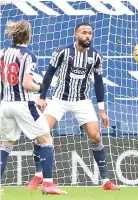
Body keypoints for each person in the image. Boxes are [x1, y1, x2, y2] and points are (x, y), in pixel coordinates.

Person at [26, 22, 119, 191]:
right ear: (76, 35)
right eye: (84, 32)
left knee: (95, 136)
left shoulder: (96, 56)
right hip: (59, 99)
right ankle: (39, 175)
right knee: (41, 132)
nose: (88, 36)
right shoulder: (63, 52)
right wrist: (42, 97)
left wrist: (102, 110)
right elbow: (48, 74)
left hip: (82, 101)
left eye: (90, 33)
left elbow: (99, 83)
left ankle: (106, 181)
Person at [0, 20, 67, 195]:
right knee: (46, 140)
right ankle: (48, 184)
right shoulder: (29, 55)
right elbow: (27, 84)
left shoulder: (2, 53)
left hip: (5, 105)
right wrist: (41, 87)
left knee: (6, 144)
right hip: (22, 104)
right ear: (29, 35)